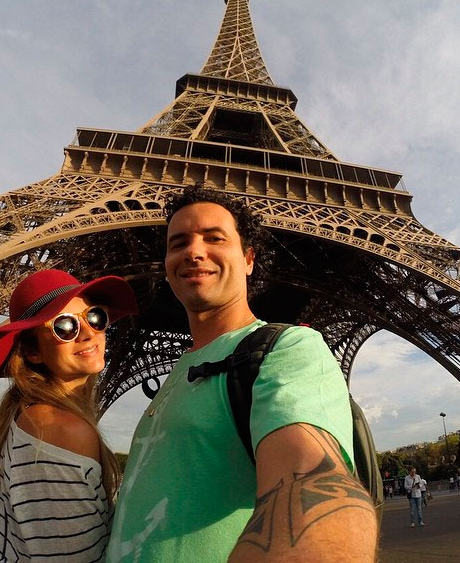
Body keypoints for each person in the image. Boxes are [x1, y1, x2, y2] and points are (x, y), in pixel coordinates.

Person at [107, 185, 377, 563]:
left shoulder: (288, 348)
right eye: (178, 242)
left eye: (214, 238)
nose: (194, 251)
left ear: (248, 258)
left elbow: (311, 482)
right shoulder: (179, 372)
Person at [0, 269, 137, 563]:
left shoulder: (30, 418)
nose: (87, 333)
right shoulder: (58, 429)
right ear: (33, 351)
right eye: (65, 326)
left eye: (94, 316)